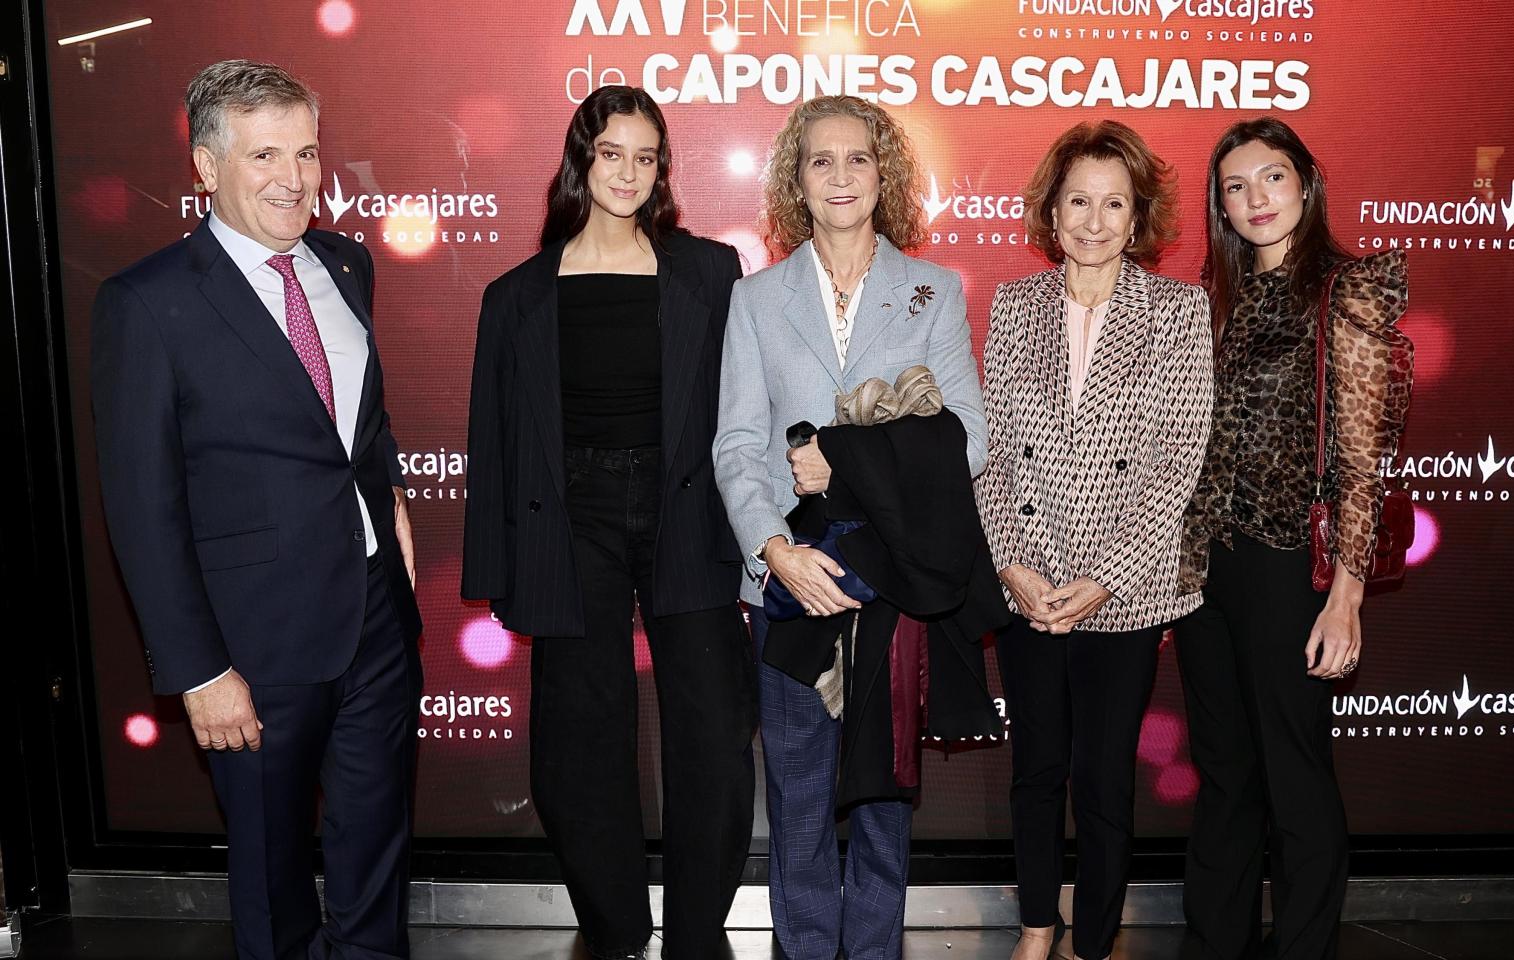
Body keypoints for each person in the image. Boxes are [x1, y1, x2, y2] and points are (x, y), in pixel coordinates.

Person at [90, 60, 422, 960]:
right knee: (273, 885)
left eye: (307, 152)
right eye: (265, 155)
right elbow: (141, 508)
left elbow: (358, 416)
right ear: (205, 168)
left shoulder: (346, 264)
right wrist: (199, 671)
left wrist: (386, 487)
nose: (295, 178)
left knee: (376, 854)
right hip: (254, 648)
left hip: (378, 620)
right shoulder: (146, 304)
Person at [461, 85, 753, 960]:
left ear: (663, 169)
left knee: (712, 732)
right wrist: (497, 572)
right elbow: (496, 442)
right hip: (571, 523)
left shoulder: (708, 272)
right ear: (580, 158)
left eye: (646, 156)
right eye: (612, 152)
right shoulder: (516, 296)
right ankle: (616, 928)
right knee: (578, 738)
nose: (628, 172)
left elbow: (742, 409)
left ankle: (699, 935)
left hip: (687, 514)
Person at [712, 94, 987, 960]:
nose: (840, 176)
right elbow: (736, 445)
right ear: (797, 178)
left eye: (858, 159)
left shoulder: (931, 292)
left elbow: (969, 440)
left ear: (885, 174)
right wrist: (776, 552)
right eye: (820, 160)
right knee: (796, 799)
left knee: (880, 798)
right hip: (790, 585)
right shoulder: (755, 299)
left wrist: (847, 465)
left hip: (892, 583)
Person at [973, 121, 1213, 960]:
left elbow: (1177, 463)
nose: (1095, 219)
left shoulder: (1180, 312)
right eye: (1079, 199)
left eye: (1115, 203)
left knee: (1105, 781)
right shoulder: (1014, 305)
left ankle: (1097, 940)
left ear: (1139, 214)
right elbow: (991, 452)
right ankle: (1039, 927)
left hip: (1129, 591)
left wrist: (1104, 578)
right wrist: (1012, 564)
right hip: (1028, 589)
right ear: (1052, 208)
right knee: (1035, 773)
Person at [1176, 117, 1413, 960]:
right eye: (1235, 187)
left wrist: (1346, 597)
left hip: (1290, 569)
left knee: (1294, 780)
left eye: (1272, 178)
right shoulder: (1215, 300)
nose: (1256, 199)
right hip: (1209, 569)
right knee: (1226, 779)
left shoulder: (1346, 292)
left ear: (1305, 185)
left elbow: (1363, 457)